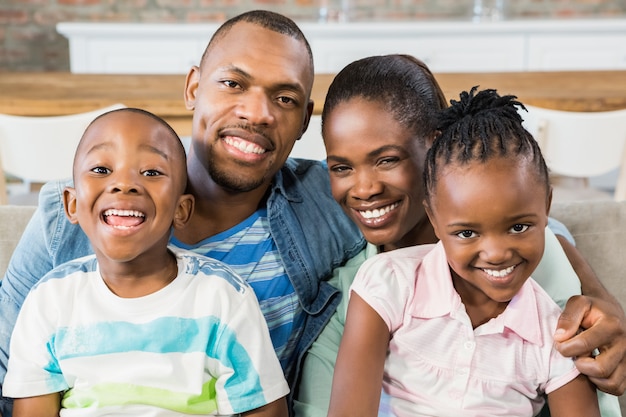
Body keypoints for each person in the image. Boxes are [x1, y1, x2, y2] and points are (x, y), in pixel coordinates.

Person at [0, 10, 364, 417]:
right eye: (232, 83)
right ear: (193, 87)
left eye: (285, 99)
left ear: (303, 120)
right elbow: (10, 375)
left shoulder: (332, 200)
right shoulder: (67, 221)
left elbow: (426, 201)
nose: (258, 112)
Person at [293, 55, 624, 416]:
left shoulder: (543, 289)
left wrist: (594, 289)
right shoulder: (365, 288)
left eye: (387, 159)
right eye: (341, 167)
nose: (365, 188)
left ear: (435, 144)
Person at [2, 108, 289, 417]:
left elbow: (266, 411)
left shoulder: (224, 299)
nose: (124, 184)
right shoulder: (49, 301)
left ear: (181, 210)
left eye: (151, 172)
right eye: (101, 169)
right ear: (71, 204)